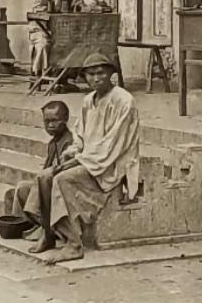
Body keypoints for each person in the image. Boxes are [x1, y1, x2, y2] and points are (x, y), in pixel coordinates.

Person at [29, 53, 140, 263]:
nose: (96, 78)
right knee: (44, 177)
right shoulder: (89, 100)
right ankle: (48, 233)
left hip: (110, 164)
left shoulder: (124, 101)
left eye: (101, 73)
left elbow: (113, 143)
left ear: (111, 73)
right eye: (90, 74)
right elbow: (80, 136)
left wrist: (78, 160)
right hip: (89, 159)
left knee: (63, 179)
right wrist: (72, 152)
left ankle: (73, 244)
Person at [1, 101, 74, 228]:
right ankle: (18, 225)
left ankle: (25, 226)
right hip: (47, 185)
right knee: (11, 194)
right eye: (47, 121)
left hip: (58, 191)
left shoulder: (69, 143)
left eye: (55, 121)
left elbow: (62, 175)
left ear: (65, 118)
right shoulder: (53, 143)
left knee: (22, 187)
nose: (50, 125)